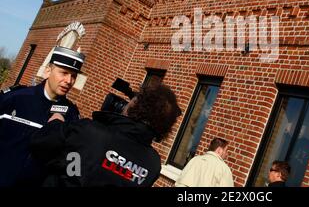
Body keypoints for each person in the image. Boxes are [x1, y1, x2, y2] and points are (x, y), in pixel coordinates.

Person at [30, 82, 181, 187]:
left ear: (136, 107)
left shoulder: (89, 132)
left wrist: (55, 124)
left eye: (131, 101)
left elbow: (39, 143)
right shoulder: (153, 164)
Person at [0, 46, 84, 186]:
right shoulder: (15, 98)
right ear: (48, 71)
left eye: (74, 75)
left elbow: (73, 161)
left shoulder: (72, 115)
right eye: (64, 73)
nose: (69, 80)